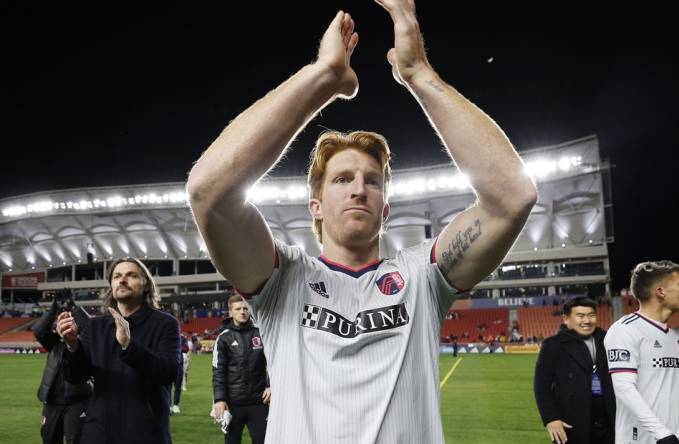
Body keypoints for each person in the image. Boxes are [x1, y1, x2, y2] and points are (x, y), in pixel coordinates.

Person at [185, 1, 538, 442]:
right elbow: (208, 192)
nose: (358, 189)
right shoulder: (282, 280)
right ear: (314, 205)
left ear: (385, 210)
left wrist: (420, 74)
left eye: (373, 181)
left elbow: (513, 196)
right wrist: (322, 77)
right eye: (342, 179)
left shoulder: (421, 278)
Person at [56, 258, 180, 444]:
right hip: (99, 432)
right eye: (117, 276)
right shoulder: (95, 326)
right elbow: (75, 377)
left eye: (131, 275)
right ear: (111, 285)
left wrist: (129, 346)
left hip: (147, 433)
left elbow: (168, 373)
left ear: (146, 285)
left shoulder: (166, 324)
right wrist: (73, 346)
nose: (122, 280)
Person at [605, 261, 679, 444]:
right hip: (643, 439)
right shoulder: (624, 330)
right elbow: (624, 389)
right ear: (660, 291)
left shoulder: (675, 338)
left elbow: (676, 396)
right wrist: (663, 434)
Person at [534, 297, 616, 444]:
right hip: (571, 424)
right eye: (580, 316)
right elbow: (541, 386)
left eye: (591, 315)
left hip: (610, 422)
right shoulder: (553, 345)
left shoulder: (609, 340)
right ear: (566, 319)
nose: (587, 320)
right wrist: (551, 418)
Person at [212, 293, 271, 444]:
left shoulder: (261, 333)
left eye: (245, 308)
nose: (242, 311)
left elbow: (273, 361)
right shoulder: (224, 338)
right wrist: (219, 399)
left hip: (258, 402)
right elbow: (218, 371)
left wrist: (271, 385)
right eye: (238, 309)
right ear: (230, 312)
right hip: (233, 404)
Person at [33, 295, 93, 444]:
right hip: (52, 401)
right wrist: (54, 308)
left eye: (71, 322)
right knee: (49, 438)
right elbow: (39, 330)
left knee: (76, 440)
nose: (67, 325)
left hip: (78, 401)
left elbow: (91, 328)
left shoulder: (85, 344)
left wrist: (74, 308)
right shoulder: (54, 344)